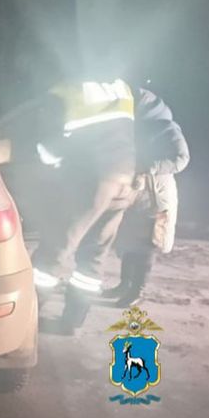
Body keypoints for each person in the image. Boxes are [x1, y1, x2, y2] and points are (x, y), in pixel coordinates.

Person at [32, 77, 137, 334]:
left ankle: (27, 317)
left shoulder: (64, 92)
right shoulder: (120, 87)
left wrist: (47, 157)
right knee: (93, 257)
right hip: (123, 184)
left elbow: (50, 150)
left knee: (53, 252)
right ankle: (72, 322)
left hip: (88, 186)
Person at [102, 88, 190, 306]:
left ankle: (137, 291)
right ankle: (124, 285)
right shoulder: (133, 128)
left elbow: (181, 158)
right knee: (129, 242)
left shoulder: (167, 128)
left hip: (157, 195)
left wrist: (149, 167)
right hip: (135, 194)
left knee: (147, 244)